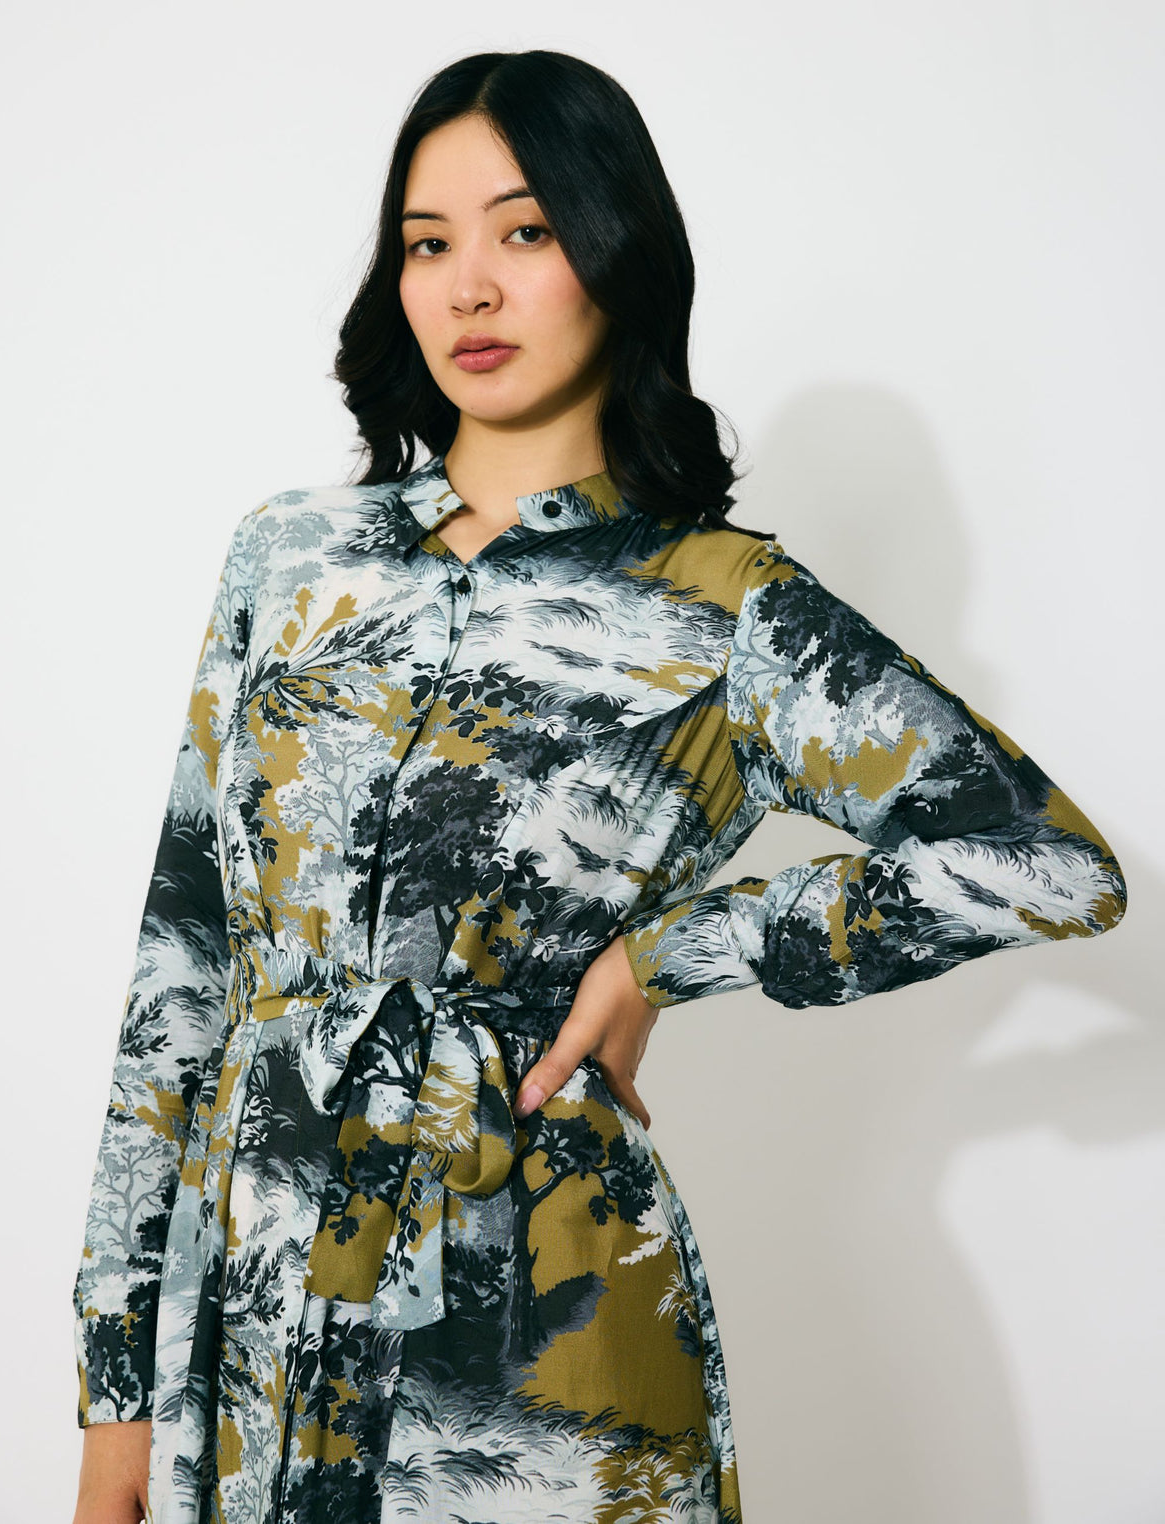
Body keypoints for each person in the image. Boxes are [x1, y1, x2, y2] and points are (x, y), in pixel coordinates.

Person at [70, 49, 1128, 1524]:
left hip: (544, 1345)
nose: (469, 288)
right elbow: (180, 970)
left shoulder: (727, 606)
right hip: (251, 1321)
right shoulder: (290, 561)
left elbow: (1052, 865)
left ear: (618, 253)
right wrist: (116, 1397)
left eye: (526, 231)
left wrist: (671, 955)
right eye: (426, 245)